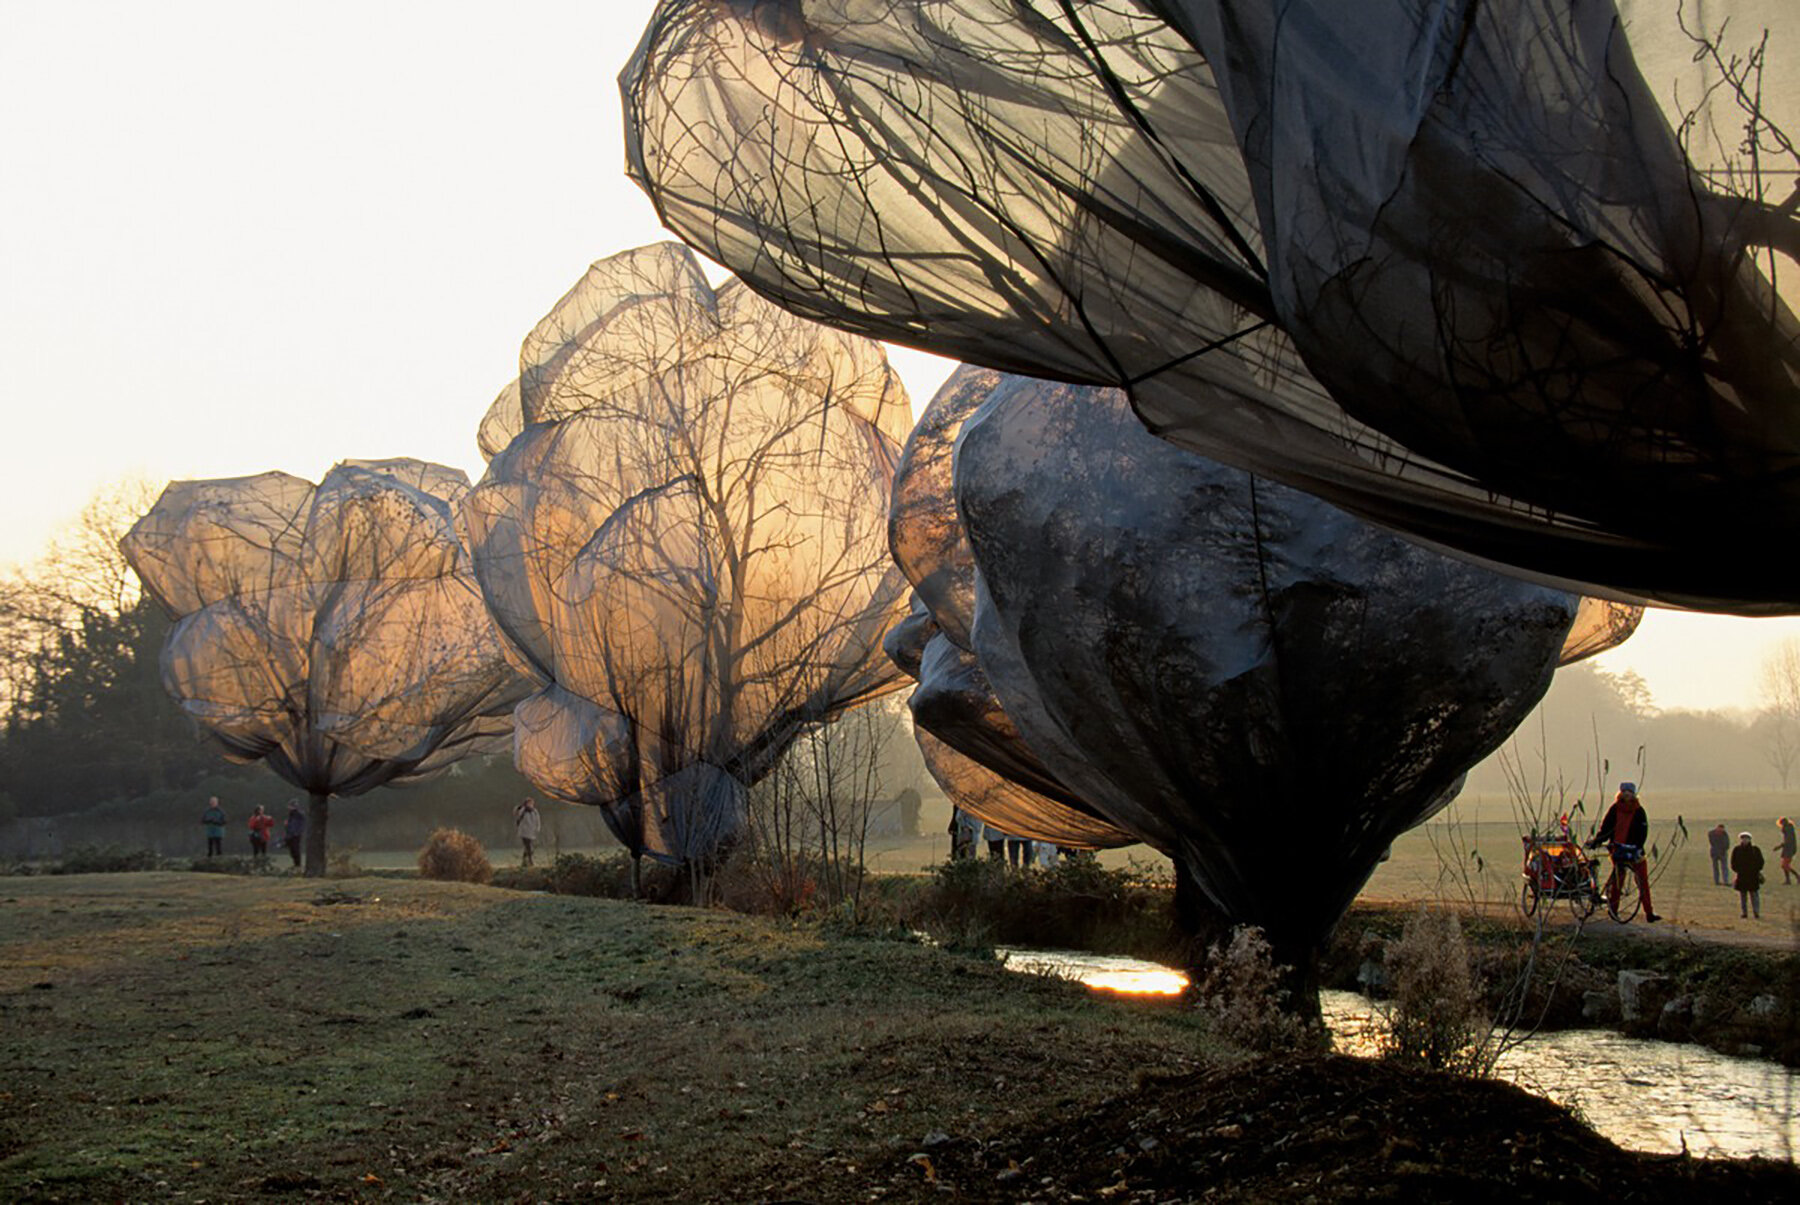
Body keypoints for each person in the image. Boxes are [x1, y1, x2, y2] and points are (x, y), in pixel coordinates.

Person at [1585, 782, 1660, 923]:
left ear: (1634, 794)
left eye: (1629, 792)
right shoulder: (1614, 810)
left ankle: (1649, 913)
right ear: (1620, 793)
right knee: (1618, 880)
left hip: (1635, 851)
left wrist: (1637, 847)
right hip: (1618, 850)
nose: (1626, 794)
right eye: (1624, 791)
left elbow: (1643, 833)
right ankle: (1613, 911)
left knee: (1642, 881)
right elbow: (1606, 829)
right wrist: (1597, 841)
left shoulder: (1639, 811)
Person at [1731, 831, 1765, 919]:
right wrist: (1738, 870)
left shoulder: (1755, 850)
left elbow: (1760, 862)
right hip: (1742, 876)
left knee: (1754, 895)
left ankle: (1756, 912)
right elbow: (1733, 862)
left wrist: (1756, 870)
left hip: (1753, 876)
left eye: (1746, 838)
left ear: (1750, 840)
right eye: (1743, 838)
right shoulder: (1737, 850)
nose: (1744, 840)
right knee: (1743, 896)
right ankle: (1744, 913)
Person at [513, 797, 542, 867]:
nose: (530, 805)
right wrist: (521, 808)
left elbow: (538, 820)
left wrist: (537, 828)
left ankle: (524, 862)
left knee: (527, 847)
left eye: (531, 803)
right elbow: (517, 814)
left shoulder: (535, 811)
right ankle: (530, 861)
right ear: (526, 804)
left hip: (531, 832)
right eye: (529, 803)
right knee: (528, 847)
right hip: (524, 832)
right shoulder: (523, 810)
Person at [282, 801, 305, 869]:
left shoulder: (299, 814)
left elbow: (299, 825)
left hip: (295, 835)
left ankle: (297, 865)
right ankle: (296, 864)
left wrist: (296, 832)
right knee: (292, 850)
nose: (289, 807)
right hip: (290, 834)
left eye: (290, 806)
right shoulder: (291, 814)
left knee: (295, 849)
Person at [1779, 816, 1797, 886]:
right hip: (1787, 849)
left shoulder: (1788, 829)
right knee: (1784, 865)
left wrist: (1780, 846)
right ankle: (1788, 880)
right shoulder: (1788, 829)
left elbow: (1788, 841)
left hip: (1789, 849)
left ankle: (1797, 876)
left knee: (1785, 865)